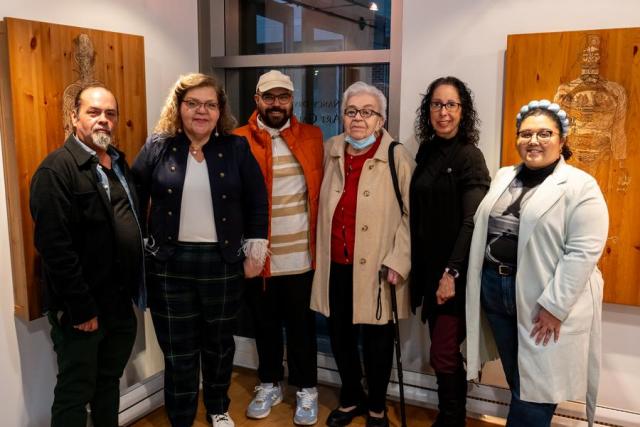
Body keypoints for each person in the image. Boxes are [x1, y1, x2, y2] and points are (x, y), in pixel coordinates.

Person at [132, 73, 268, 427]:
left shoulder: (235, 148)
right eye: (193, 103)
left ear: (219, 110)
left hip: (222, 264)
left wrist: (255, 250)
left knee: (220, 345)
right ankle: (181, 417)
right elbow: (133, 198)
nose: (201, 111)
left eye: (210, 104)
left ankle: (218, 408)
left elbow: (257, 200)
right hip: (168, 266)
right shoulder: (158, 146)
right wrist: (143, 248)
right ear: (179, 107)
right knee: (179, 352)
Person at [465, 100, 609, 427]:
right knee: (521, 379)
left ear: (562, 140)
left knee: (538, 390)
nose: (534, 141)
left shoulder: (580, 185)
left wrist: (554, 306)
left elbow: (584, 251)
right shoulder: (504, 176)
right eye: (526, 133)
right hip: (496, 290)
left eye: (545, 133)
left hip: (542, 299)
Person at [30, 84, 144, 427]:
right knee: (75, 391)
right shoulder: (56, 171)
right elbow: (55, 248)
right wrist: (81, 308)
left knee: (108, 381)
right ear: (74, 117)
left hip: (118, 302)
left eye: (110, 113)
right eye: (93, 112)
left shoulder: (120, 164)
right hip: (83, 308)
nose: (103, 120)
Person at [311, 81, 415, 427]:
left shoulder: (395, 155)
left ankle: (376, 406)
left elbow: (411, 216)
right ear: (342, 115)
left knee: (377, 342)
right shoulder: (332, 149)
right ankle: (351, 396)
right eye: (351, 111)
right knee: (339, 336)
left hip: (378, 268)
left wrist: (399, 260)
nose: (358, 118)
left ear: (380, 119)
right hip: (337, 264)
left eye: (367, 112)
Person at [233, 69, 324, 425]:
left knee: (302, 328)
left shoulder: (314, 137)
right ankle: (269, 382)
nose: (276, 104)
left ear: (292, 100)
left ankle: (306, 389)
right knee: (265, 327)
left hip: (302, 258)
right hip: (260, 260)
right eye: (268, 97)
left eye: (282, 96)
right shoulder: (237, 140)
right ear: (257, 100)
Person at [409, 76, 490, 426]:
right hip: (429, 270)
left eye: (451, 105)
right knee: (441, 351)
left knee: (443, 352)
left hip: (455, 273)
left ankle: (452, 418)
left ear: (463, 111)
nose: (443, 112)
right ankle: (449, 414)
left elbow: (472, 223)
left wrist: (451, 273)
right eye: (437, 104)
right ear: (429, 110)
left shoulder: (470, 156)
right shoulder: (426, 151)